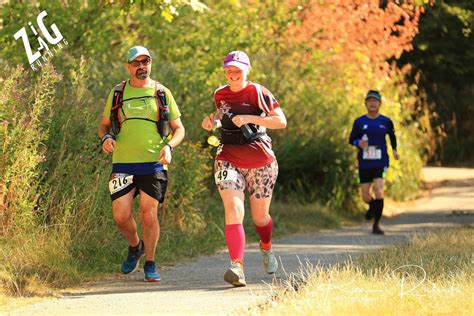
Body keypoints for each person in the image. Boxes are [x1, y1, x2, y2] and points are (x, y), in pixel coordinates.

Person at [98, 46, 185, 281]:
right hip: (123, 163)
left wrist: (169, 146)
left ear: (150, 64)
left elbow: (179, 129)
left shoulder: (161, 92)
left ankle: (150, 262)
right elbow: (104, 125)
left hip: (153, 163)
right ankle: (136, 246)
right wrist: (105, 137)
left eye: (145, 62)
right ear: (128, 66)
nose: (141, 67)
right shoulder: (117, 92)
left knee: (149, 214)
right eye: (136, 63)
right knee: (121, 216)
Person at [201, 50, 287, 287]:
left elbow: (281, 121)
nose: (233, 73)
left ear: (247, 70)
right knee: (233, 208)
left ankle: (266, 247)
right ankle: (237, 266)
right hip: (228, 157)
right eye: (229, 69)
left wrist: (251, 118)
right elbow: (222, 117)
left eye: (237, 69)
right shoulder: (220, 94)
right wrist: (212, 123)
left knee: (260, 218)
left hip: (261, 161)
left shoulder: (258, 92)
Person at [349, 90, 399, 235]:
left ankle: (376, 224)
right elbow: (351, 139)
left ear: (380, 103)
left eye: (375, 101)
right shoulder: (359, 122)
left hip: (380, 161)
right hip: (364, 162)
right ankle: (372, 207)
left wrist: (394, 150)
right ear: (365, 104)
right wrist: (359, 143)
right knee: (365, 195)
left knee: (378, 189)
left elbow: (392, 135)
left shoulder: (385, 121)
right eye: (369, 101)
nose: (372, 103)